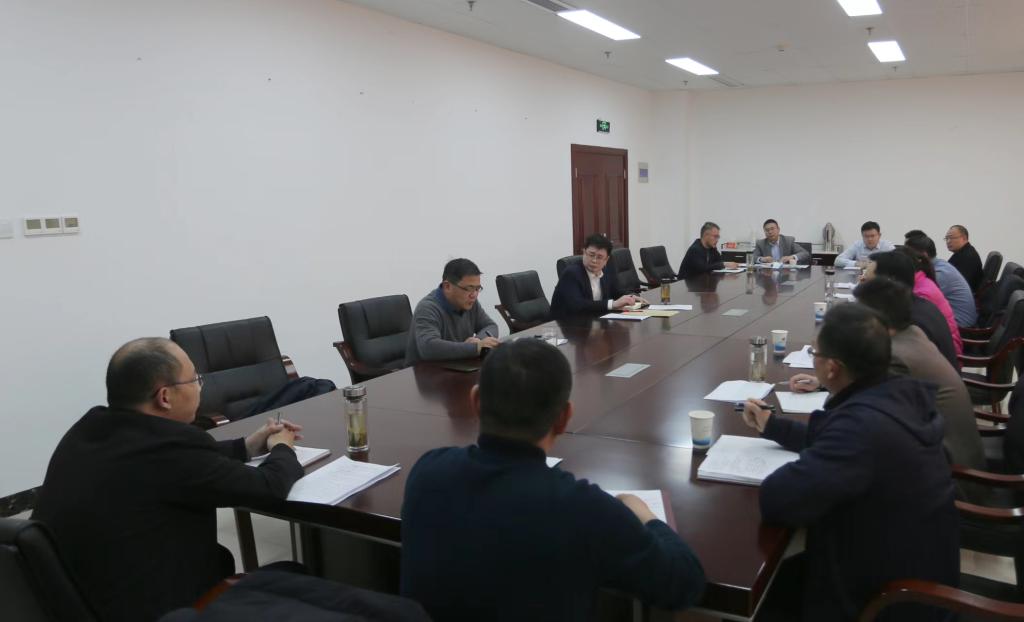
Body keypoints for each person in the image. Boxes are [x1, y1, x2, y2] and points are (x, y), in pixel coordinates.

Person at [400, 339, 706, 622]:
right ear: (564, 418)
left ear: (476, 402)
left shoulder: (427, 473)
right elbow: (684, 583)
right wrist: (647, 517)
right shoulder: (583, 509)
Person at [32, 338, 305, 622]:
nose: (200, 387)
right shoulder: (171, 449)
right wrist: (282, 447)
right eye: (195, 380)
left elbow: (181, 464)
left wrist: (245, 447)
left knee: (227, 559)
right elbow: (268, 487)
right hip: (153, 610)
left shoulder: (89, 429)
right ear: (165, 397)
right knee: (293, 574)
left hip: (73, 602)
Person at [743, 304, 959, 622]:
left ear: (832, 368)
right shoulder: (897, 396)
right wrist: (773, 426)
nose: (813, 359)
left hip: (886, 603)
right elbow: (839, 438)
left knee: (761, 596)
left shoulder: (862, 429)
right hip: (912, 572)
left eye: (814, 353)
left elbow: (777, 498)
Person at [835, 278, 984, 499]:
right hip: (954, 460)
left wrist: (832, 378)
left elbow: (860, 416)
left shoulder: (895, 355)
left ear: (876, 321)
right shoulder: (913, 333)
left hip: (952, 483)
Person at [864, 251, 960, 369]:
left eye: (866, 282)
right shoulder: (916, 304)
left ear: (888, 282)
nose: (861, 287)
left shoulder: (910, 320)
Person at [405, 258, 500, 365]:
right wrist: (475, 347)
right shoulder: (427, 308)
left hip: (457, 365)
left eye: (477, 289)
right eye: (469, 288)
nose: (474, 295)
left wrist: (478, 341)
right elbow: (428, 347)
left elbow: (490, 326)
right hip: (425, 371)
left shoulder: (470, 302)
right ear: (447, 286)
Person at [550, 233, 638, 319]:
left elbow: (616, 291)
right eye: (591, 255)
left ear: (606, 259)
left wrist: (631, 297)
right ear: (584, 252)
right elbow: (577, 305)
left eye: (599, 257)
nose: (594, 260)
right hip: (567, 323)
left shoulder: (606, 271)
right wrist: (612, 304)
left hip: (594, 319)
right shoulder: (571, 273)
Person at [898, 246, 964, 357]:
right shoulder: (921, 281)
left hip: (945, 356)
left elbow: (912, 331)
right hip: (942, 348)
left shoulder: (922, 293)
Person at [904, 232, 977, 327]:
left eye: (908, 255)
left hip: (960, 324)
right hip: (954, 319)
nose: (905, 258)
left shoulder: (940, 273)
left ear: (923, 255)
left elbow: (917, 302)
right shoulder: (939, 265)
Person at [945, 224, 984, 292]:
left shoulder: (968, 257)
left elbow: (959, 285)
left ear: (964, 238)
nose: (948, 241)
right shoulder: (962, 253)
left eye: (951, 238)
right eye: (946, 238)